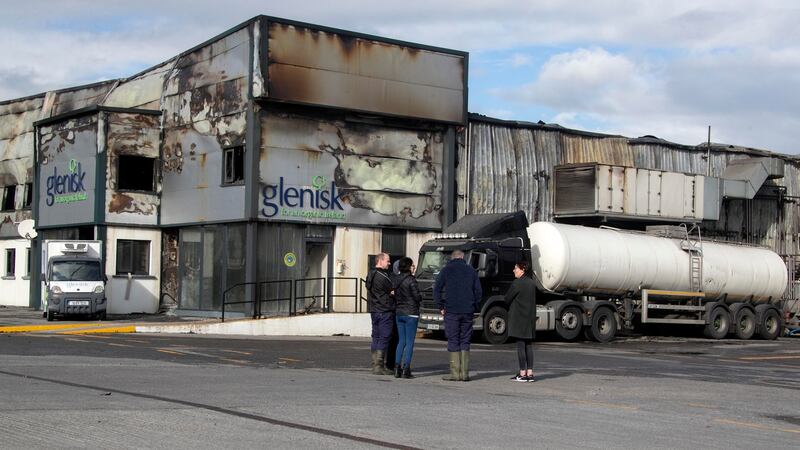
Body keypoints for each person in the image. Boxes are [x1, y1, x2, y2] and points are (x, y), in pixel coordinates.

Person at [433, 249, 482, 382]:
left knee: (453, 339)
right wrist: (474, 307)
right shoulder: (471, 270)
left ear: (452, 258)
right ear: (463, 258)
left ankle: (455, 373)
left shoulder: (446, 270)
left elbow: (437, 289)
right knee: (465, 339)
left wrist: (441, 306)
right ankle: (464, 374)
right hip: (467, 311)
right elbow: (478, 291)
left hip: (452, 310)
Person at [505, 261, 537, 382]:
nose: (514, 270)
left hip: (518, 318)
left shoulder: (517, 283)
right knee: (528, 345)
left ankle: (522, 373)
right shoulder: (531, 283)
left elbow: (507, 298)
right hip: (529, 318)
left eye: (516, 268)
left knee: (520, 345)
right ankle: (530, 373)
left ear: (522, 269)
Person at [392, 257, 422, 379]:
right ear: (408, 267)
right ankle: (406, 369)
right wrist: (420, 296)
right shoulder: (411, 280)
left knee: (401, 341)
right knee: (410, 342)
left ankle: (396, 368)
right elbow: (416, 297)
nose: (414, 267)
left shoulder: (396, 280)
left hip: (399, 313)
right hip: (411, 313)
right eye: (412, 265)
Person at [366, 252, 395, 375]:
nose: (389, 263)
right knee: (384, 337)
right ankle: (379, 365)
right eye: (387, 261)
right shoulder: (383, 276)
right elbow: (393, 289)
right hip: (384, 309)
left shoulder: (370, 274)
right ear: (380, 261)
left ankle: (375, 364)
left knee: (376, 337)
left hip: (374, 309)